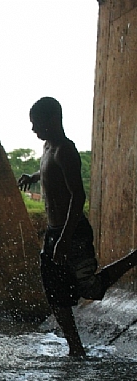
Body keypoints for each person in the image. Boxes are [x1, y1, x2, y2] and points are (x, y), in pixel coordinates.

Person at [18, 96, 137, 357]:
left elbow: (78, 197)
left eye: (37, 123)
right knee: (54, 291)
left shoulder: (65, 150)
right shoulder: (48, 147)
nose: (33, 129)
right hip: (54, 233)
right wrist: (33, 176)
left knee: (91, 289)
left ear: (52, 120)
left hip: (72, 233)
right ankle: (76, 349)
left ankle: (133, 258)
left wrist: (65, 238)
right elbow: (49, 171)